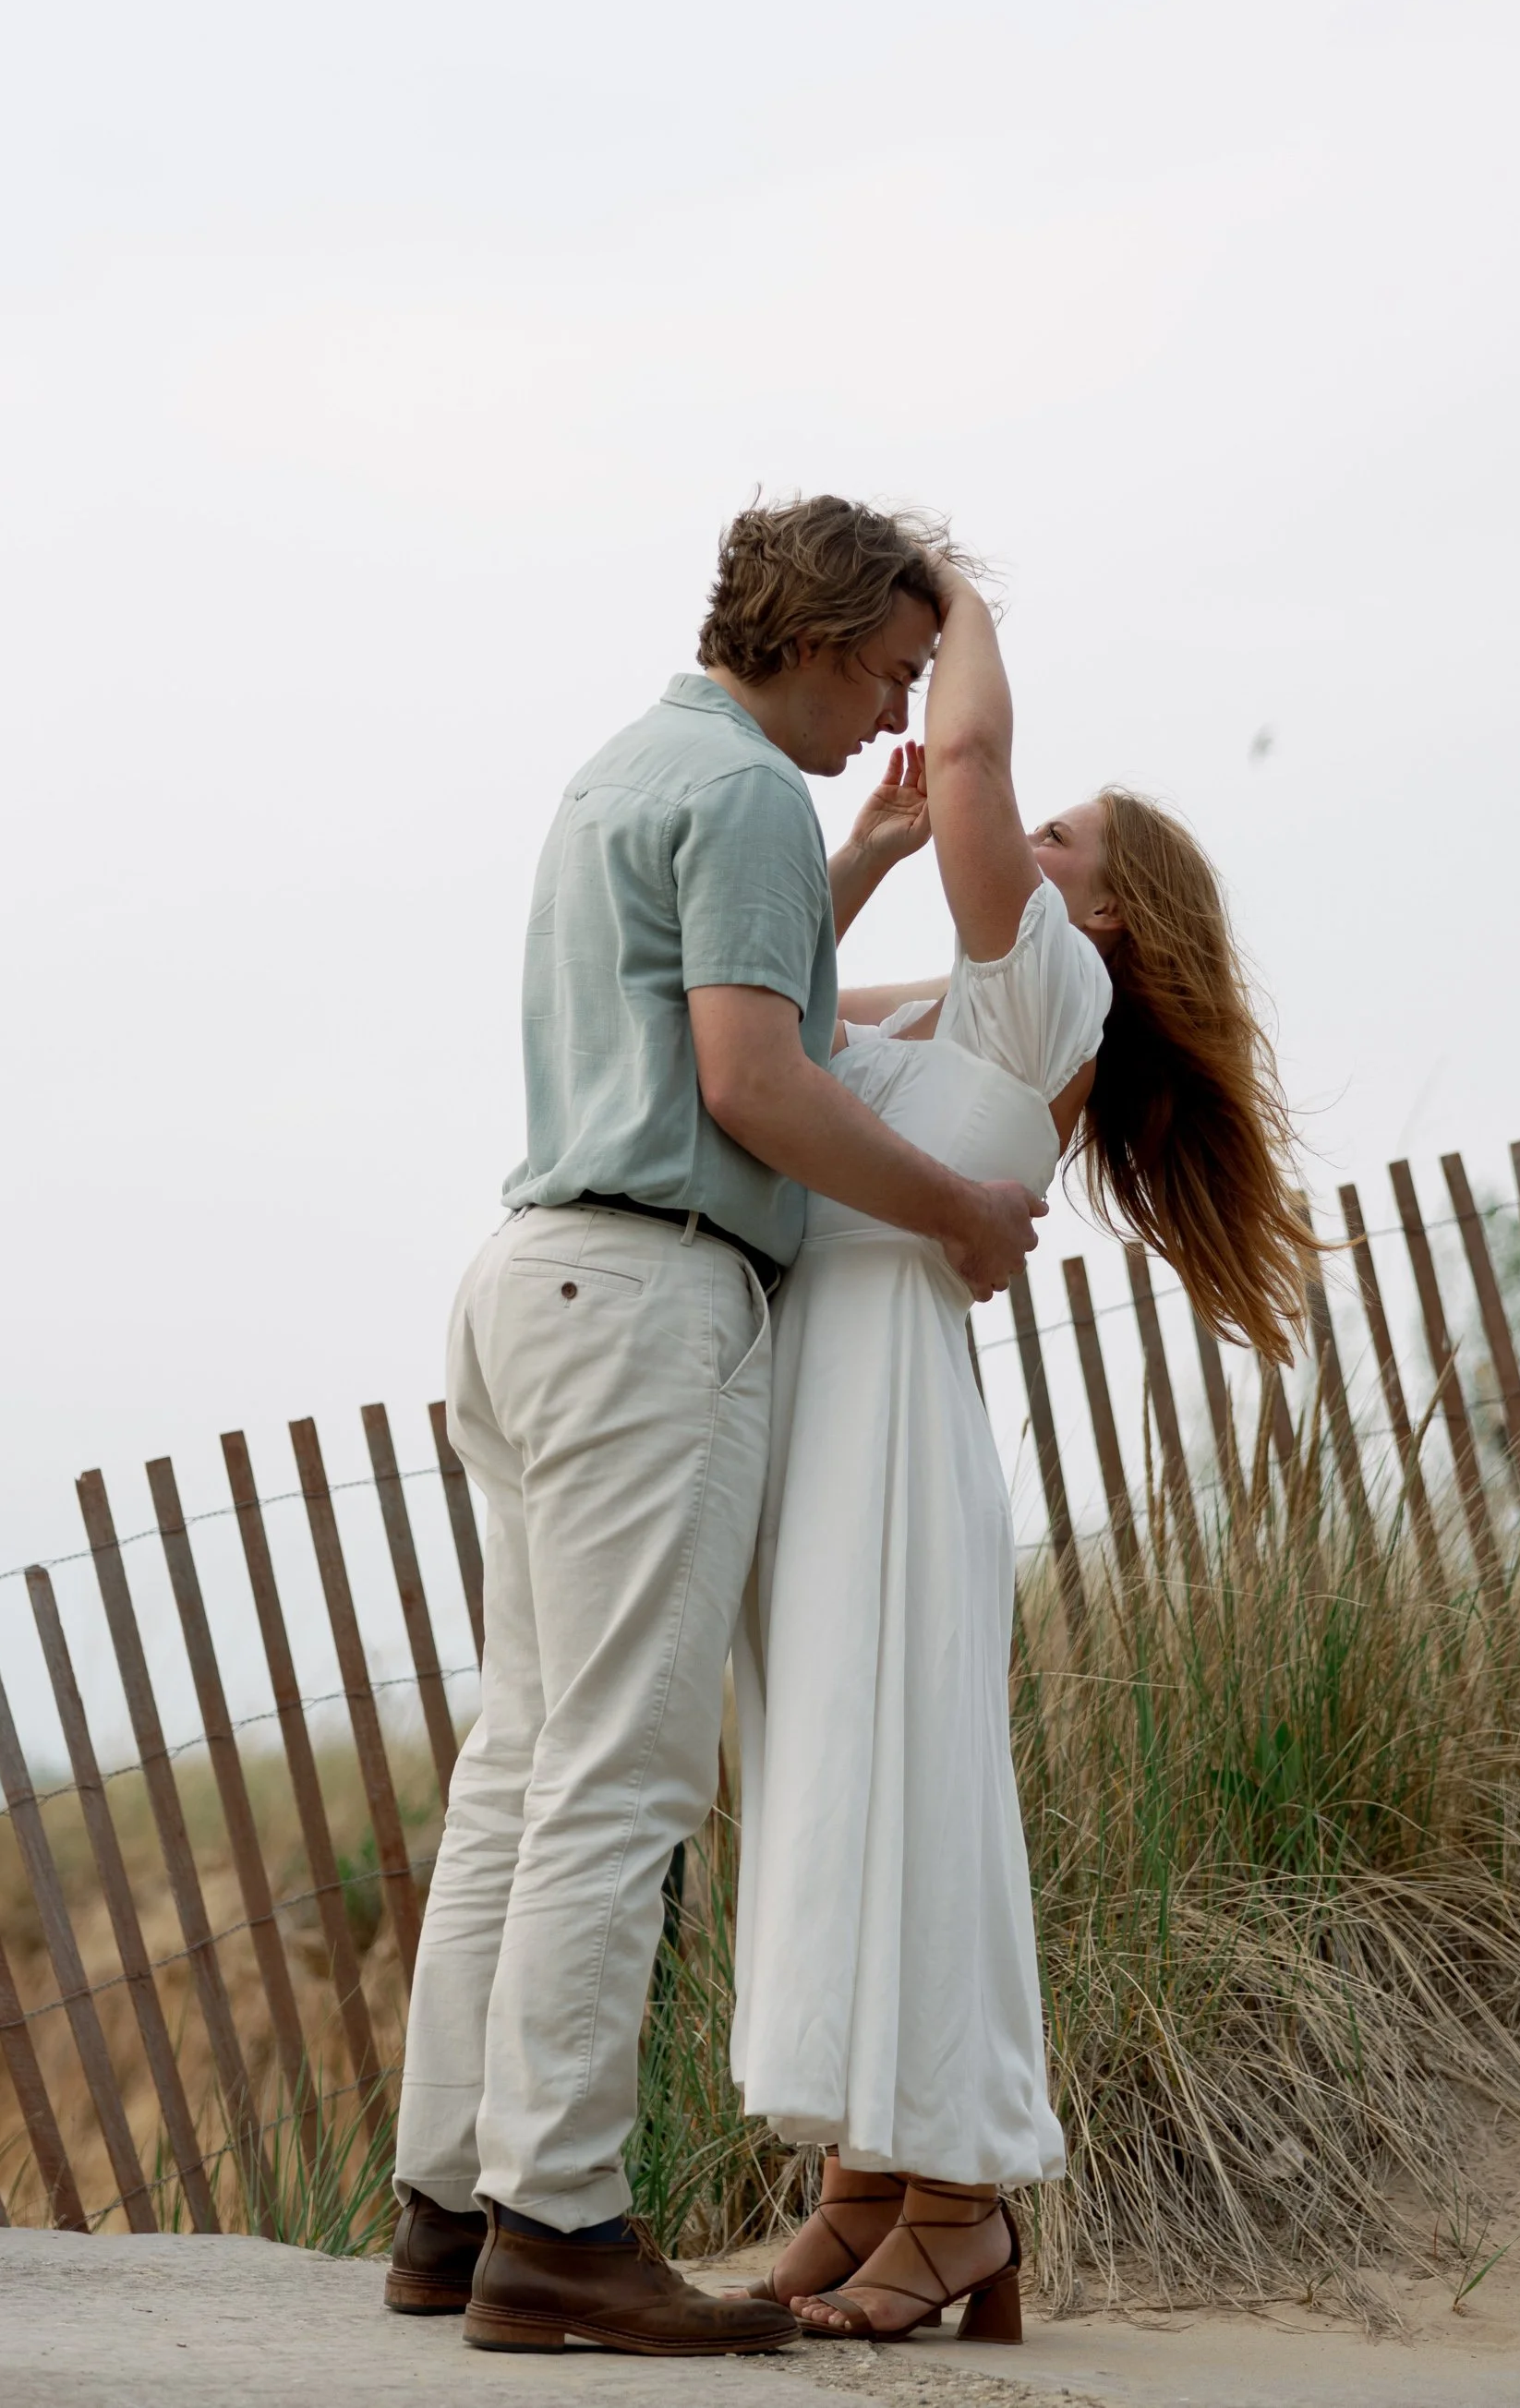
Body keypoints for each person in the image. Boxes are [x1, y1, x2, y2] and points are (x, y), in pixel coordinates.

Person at [383, 497, 1045, 2357]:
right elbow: (753, 1078)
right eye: (891, 669)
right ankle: (560, 2224)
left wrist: (862, 861)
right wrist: (957, 1210)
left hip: (530, 1279)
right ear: (822, 643)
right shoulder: (746, 789)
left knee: (522, 1763)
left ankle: (449, 2209)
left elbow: (723, 992)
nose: (895, 705)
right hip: (650, 1303)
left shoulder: (631, 767)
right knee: (623, 1776)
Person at [730, 564, 1311, 2342]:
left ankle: (964, 2201)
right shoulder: (966, 999)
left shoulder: (1050, 987)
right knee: (836, 1787)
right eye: (1035, 831)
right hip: (827, 1412)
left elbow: (972, 759)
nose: (1015, 837)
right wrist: (870, 852)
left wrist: (947, 585)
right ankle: (865, 2182)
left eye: (1062, 838)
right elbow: (781, 1013)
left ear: (1108, 912)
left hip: (900, 1421)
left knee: (921, 1798)